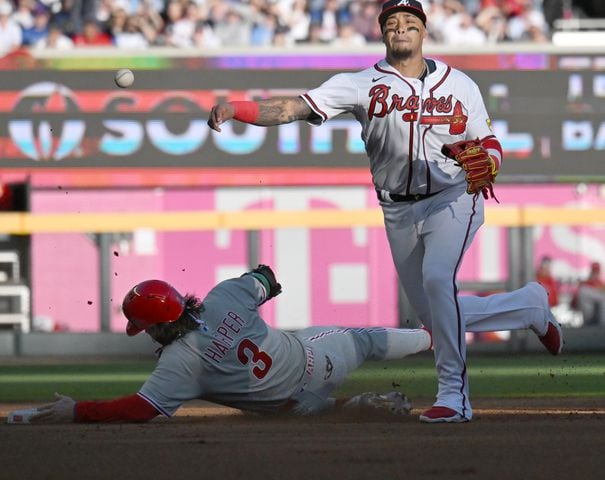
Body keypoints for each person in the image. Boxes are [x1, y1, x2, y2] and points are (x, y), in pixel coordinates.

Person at [206, 0, 562, 424]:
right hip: (398, 210)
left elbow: (488, 143)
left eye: (410, 22)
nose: (401, 29)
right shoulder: (360, 83)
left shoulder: (460, 84)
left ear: (424, 32)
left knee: (437, 279)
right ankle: (529, 307)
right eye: (392, 23)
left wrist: (492, 164)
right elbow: (295, 108)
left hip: (454, 197)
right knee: (436, 314)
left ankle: (454, 395)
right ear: (382, 34)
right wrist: (237, 109)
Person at [31, 265, 432, 423]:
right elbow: (267, 279)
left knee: (289, 409)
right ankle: (434, 337)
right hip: (319, 359)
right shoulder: (223, 296)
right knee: (361, 341)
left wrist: (76, 410)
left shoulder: (178, 364)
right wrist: (256, 287)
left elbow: (139, 408)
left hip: (296, 407)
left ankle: (359, 406)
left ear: (153, 328)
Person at [574, 262, 605, 326]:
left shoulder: (601, 284)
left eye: (596, 271)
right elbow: (576, 297)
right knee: (583, 291)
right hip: (588, 314)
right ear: (591, 271)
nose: (595, 274)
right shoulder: (586, 283)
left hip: (598, 315)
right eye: (594, 271)